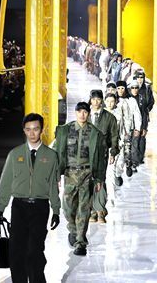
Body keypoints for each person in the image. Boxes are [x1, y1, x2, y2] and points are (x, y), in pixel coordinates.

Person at [0, 113, 60, 283]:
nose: (32, 133)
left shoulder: (51, 156)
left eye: (36, 129)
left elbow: (53, 184)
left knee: (35, 250)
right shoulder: (14, 154)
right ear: (24, 130)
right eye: (28, 129)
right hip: (19, 207)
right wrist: (0, 209)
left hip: (40, 207)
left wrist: (56, 210)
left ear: (42, 130)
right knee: (16, 251)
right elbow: (6, 182)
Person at [52, 102, 105, 256]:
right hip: (70, 174)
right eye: (80, 111)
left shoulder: (95, 133)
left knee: (84, 209)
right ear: (75, 113)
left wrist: (99, 179)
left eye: (85, 112)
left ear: (88, 114)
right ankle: (73, 230)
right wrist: (56, 174)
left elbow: (100, 157)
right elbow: (56, 152)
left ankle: (80, 242)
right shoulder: (65, 131)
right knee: (67, 208)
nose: (82, 114)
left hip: (87, 174)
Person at [87, 90, 118, 224]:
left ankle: (99, 210)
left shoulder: (109, 118)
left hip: (101, 154)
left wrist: (113, 152)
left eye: (98, 99)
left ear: (102, 101)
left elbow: (115, 136)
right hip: (86, 155)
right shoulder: (85, 115)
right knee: (88, 181)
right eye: (93, 99)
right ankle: (92, 211)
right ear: (90, 100)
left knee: (100, 179)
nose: (96, 102)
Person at [132, 70, 154, 164]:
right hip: (133, 117)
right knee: (134, 136)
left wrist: (147, 109)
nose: (140, 79)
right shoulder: (132, 87)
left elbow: (151, 101)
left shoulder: (147, 88)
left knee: (142, 136)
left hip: (144, 115)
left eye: (141, 77)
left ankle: (140, 157)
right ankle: (134, 157)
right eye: (138, 77)